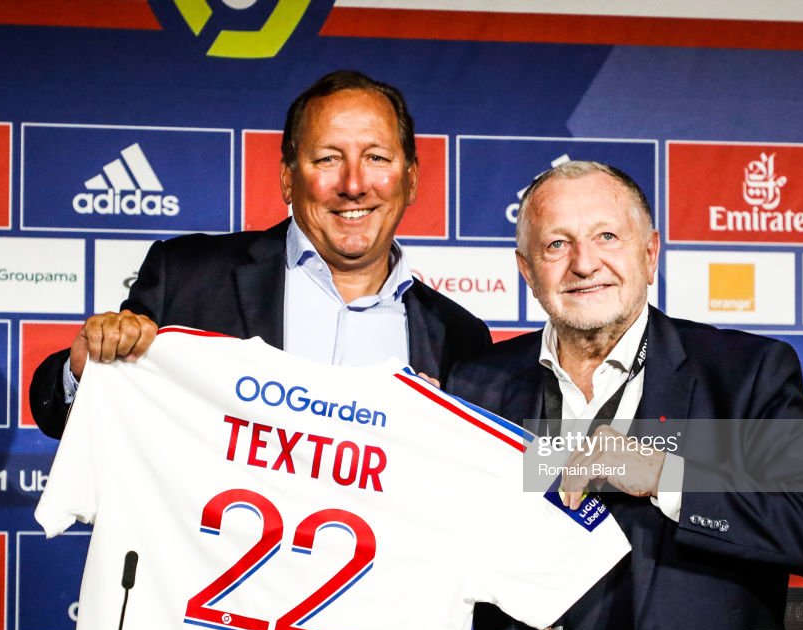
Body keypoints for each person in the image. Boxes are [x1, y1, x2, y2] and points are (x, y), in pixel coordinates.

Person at [445, 161, 803, 630]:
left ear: (649, 255)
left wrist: (668, 479)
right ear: (527, 270)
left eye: (607, 236)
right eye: (557, 244)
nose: (584, 263)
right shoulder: (474, 388)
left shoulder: (742, 376)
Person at [30, 70, 490, 439]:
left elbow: (512, 482)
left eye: (377, 158)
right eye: (328, 158)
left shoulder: (461, 339)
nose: (353, 185)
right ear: (288, 179)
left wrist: (562, 457)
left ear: (410, 180)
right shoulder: (187, 277)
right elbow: (67, 415)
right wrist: (83, 371)